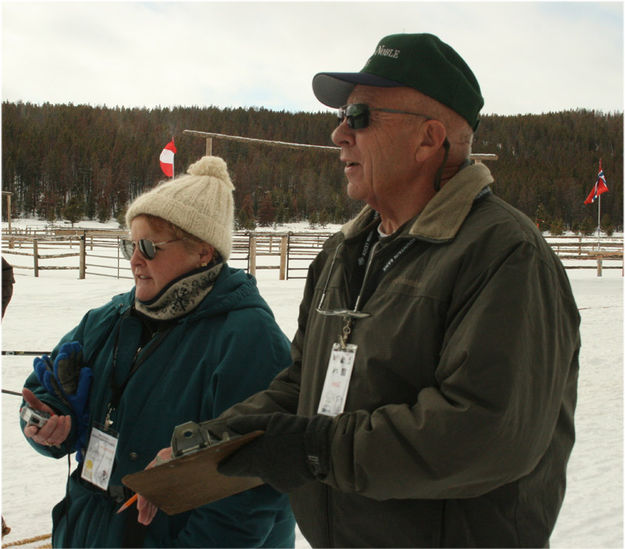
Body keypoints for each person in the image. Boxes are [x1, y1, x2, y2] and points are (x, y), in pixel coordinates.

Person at [140, 34, 580, 547]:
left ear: (427, 139)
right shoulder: (341, 254)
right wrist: (213, 442)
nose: (338, 133)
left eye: (359, 115)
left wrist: (315, 450)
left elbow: (485, 433)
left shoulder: (506, 254)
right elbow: (301, 385)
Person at [20, 156, 296, 548]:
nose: (134, 261)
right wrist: (46, 424)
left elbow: (249, 498)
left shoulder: (248, 340)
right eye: (129, 245)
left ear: (203, 252)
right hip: (93, 528)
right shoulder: (108, 320)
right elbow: (40, 393)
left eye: (149, 247)